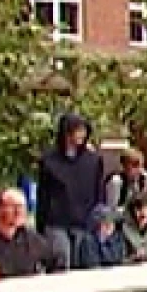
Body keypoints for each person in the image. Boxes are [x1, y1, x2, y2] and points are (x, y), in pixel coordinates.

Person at [36, 111, 100, 266]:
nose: (81, 135)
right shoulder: (49, 161)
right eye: (77, 130)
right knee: (61, 260)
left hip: (83, 222)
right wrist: (41, 225)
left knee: (82, 264)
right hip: (56, 222)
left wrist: (97, 220)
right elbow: (43, 195)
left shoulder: (93, 161)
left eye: (83, 130)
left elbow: (98, 192)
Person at [0, 187, 63, 278]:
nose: (19, 211)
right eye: (13, 206)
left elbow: (55, 259)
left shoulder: (31, 238)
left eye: (22, 206)